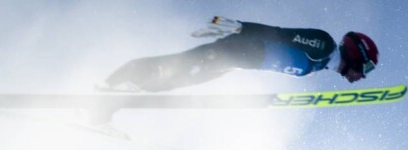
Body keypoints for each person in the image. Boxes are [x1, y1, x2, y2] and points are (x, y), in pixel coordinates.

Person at [99, 17, 378, 92]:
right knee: (173, 68)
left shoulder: (318, 67)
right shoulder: (324, 46)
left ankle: (108, 106)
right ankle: (114, 84)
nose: (362, 77)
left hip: (234, 63)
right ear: (357, 55)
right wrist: (237, 27)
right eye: (366, 68)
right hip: (236, 51)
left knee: (174, 83)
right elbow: (277, 34)